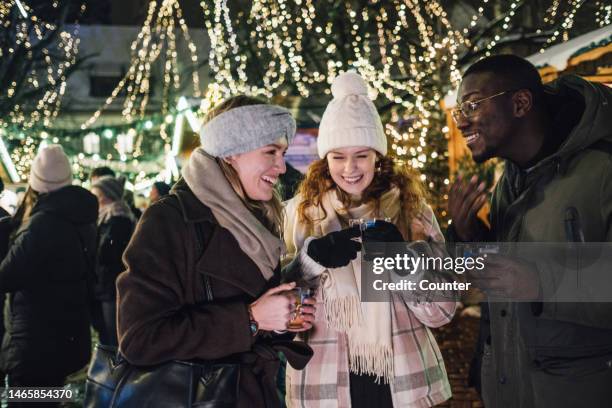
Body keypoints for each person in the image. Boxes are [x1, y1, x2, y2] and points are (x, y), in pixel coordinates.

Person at [116, 95, 315, 407]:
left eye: (283, 153)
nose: (281, 166)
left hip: (250, 393)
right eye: (270, 152)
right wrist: (249, 319)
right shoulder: (170, 219)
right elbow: (140, 338)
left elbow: (252, 316)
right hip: (196, 397)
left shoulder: (258, 218)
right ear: (232, 153)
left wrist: (280, 321)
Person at [283, 72, 456, 407]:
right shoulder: (297, 216)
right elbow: (278, 315)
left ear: (378, 156)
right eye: (338, 156)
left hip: (403, 384)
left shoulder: (411, 212)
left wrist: (404, 261)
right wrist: (307, 261)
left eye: (362, 154)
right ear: (324, 159)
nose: (350, 167)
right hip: (325, 385)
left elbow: (443, 312)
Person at [448, 54, 612, 407]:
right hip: (511, 387)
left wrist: (543, 283)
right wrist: (469, 236)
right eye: (459, 111)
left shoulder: (602, 169)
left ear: (520, 103)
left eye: (472, 105)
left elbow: (531, 279)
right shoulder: (512, 178)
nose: (462, 122)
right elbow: (498, 281)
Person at [0, 145, 97, 399]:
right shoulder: (81, 219)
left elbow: (7, 276)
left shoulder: (41, 225)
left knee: (28, 401)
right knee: (47, 400)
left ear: (36, 183)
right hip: (66, 335)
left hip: (35, 343)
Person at [90, 176, 136, 347]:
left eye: (96, 193)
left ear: (105, 195)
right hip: (105, 283)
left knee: (112, 335)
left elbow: (108, 253)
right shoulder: (107, 216)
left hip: (111, 284)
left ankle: (114, 371)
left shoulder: (118, 217)